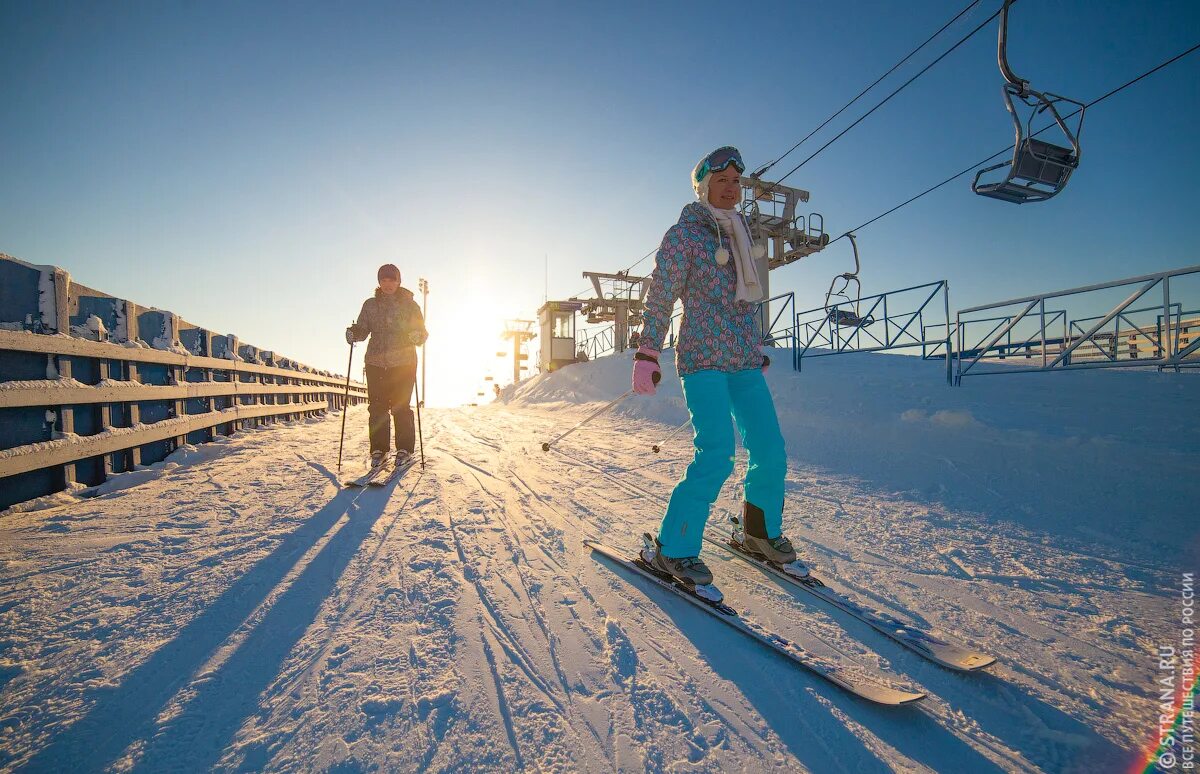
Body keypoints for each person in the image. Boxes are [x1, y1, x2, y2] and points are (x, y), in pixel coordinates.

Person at [632, 146, 802, 589]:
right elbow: (661, 294)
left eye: (737, 182)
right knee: (717, 454)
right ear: (705, 186)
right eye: (723, 181)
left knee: (770, 449)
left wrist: (756, 345)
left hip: (743, 360)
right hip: (703, 359)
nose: (732, 188)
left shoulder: (744, 234)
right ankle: (675, 548)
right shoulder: (685, 235)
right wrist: (649, 352)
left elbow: (749, 301)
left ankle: (759, 532)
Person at [346, 264, 428, 468]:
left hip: (404, 363)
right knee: (377, 407)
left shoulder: (410, 305)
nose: (388, 284)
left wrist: (417, 335)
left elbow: (422, 332)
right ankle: (379, 450)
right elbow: (363, 330)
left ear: (399, 282)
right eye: (384, 280)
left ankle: (405, 449)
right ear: (379, 282)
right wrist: (354, 333)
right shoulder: (370, 305)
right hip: (375, 362)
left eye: (392, 280)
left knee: (401, 407)